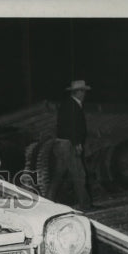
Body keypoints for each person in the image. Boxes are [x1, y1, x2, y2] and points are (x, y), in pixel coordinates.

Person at [46, 79, 93, 210]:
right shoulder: (73, 106)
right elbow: (72, 127)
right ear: (77, 92)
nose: (84, 94)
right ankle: (85, 205)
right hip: (68, 145)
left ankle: (47, 202)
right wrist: (77, 143)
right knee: (79, 174)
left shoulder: (68, 104)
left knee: (59, 174)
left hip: (61, 144)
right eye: (83, 91)